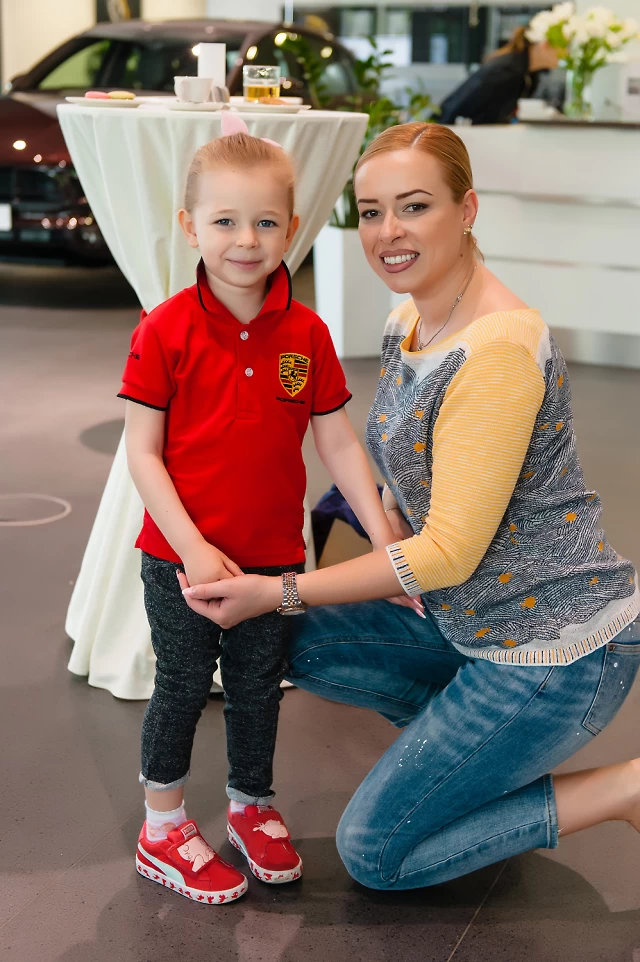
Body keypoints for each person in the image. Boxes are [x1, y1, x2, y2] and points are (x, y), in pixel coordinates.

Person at [180, 121, 640, 892]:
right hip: (462, 620)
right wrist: (382, 533)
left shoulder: (497, 351)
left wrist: (280, 588)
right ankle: (473, 763)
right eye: (371, 212)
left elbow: (447, 556)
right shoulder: (411, 317)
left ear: (467, 209)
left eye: (415, 206)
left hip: (552, 651)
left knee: (378, 853)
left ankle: (622, 790)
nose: (388, 232)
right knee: (293, 643)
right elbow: (406, 467)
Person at [119, 113, 410, 905]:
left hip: (276, 556)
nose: (246, 241)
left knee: (258, 688)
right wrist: (191, 546)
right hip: (180, 559)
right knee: (182, 685)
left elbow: (338, 443)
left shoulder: (306, 333)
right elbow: (142, 453)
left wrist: (383, 539)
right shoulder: (164, 330)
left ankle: (251, 804)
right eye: (224, 221)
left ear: (293, 226)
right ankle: (161, 827)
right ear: (190, 226)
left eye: (266, 223)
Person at [438, 25, 560, 125]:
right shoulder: (506, 69)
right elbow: (460, 105)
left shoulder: (528, 74)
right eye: (562, 46)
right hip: (458, 132)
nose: (565, 53)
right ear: (545, 44)